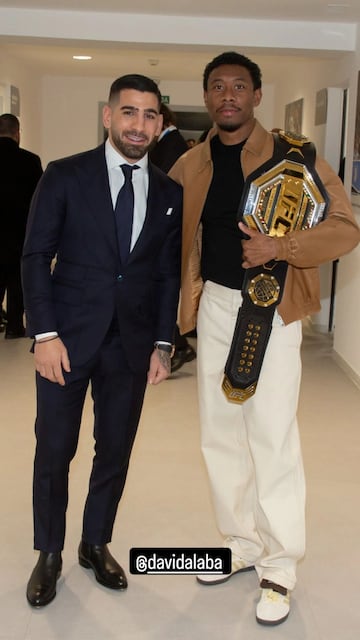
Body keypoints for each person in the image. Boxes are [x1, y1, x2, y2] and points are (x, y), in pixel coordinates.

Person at [169, 51, 360, 626]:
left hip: (273, 314)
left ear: (256, 96)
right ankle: (239, 545)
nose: (228, 95)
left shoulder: (294, 157)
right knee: (221, 435)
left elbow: (346, 227)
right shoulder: (190, 164)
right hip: (216, 307)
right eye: (218, 86)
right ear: (207, 97)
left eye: (240, 86)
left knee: (271, 436)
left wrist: (282, 248)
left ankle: (279, 565)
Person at [22, 74, 182, 608]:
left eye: (151, 115)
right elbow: (34, 258)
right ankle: (49, 553)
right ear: (109, 117)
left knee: (113, 451)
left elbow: (165, 275)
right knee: (55, 449)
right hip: (64, 341)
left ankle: (95, 543)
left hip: (130, 346)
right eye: (130, 112)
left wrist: (164, 343)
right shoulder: (64, 176)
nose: (140, 125)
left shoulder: (168, 192)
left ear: (160, 124)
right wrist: (44, 334)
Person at [149, 103, 196, 372]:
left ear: (162, 120)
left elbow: (167, 189)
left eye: (151, 117)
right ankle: (179, 344)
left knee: (160, 289)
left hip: (167, 230)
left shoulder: (173, 145)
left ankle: (179, 344)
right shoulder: (169, 144)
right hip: (164, 229)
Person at [0, 113, 43, 339]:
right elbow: (39, 198)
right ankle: (15, 326)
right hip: (19, 231)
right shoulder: (30, 160)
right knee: (18, 281)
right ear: (17, 133)